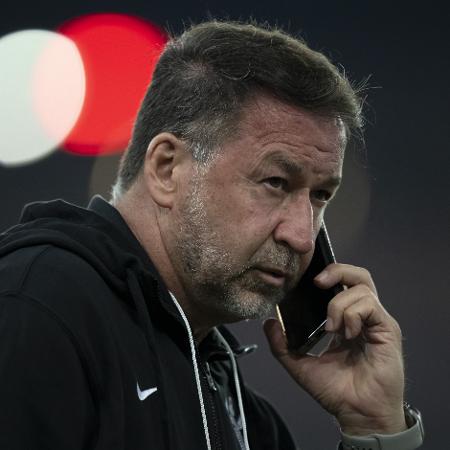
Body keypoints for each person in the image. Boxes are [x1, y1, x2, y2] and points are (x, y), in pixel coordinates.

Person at [0, 20, 423, 450]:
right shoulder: (36, 309)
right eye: (276, 182)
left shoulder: (237, 408)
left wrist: (375, 425)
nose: (301, 236)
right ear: (167, 169)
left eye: (319, 196)